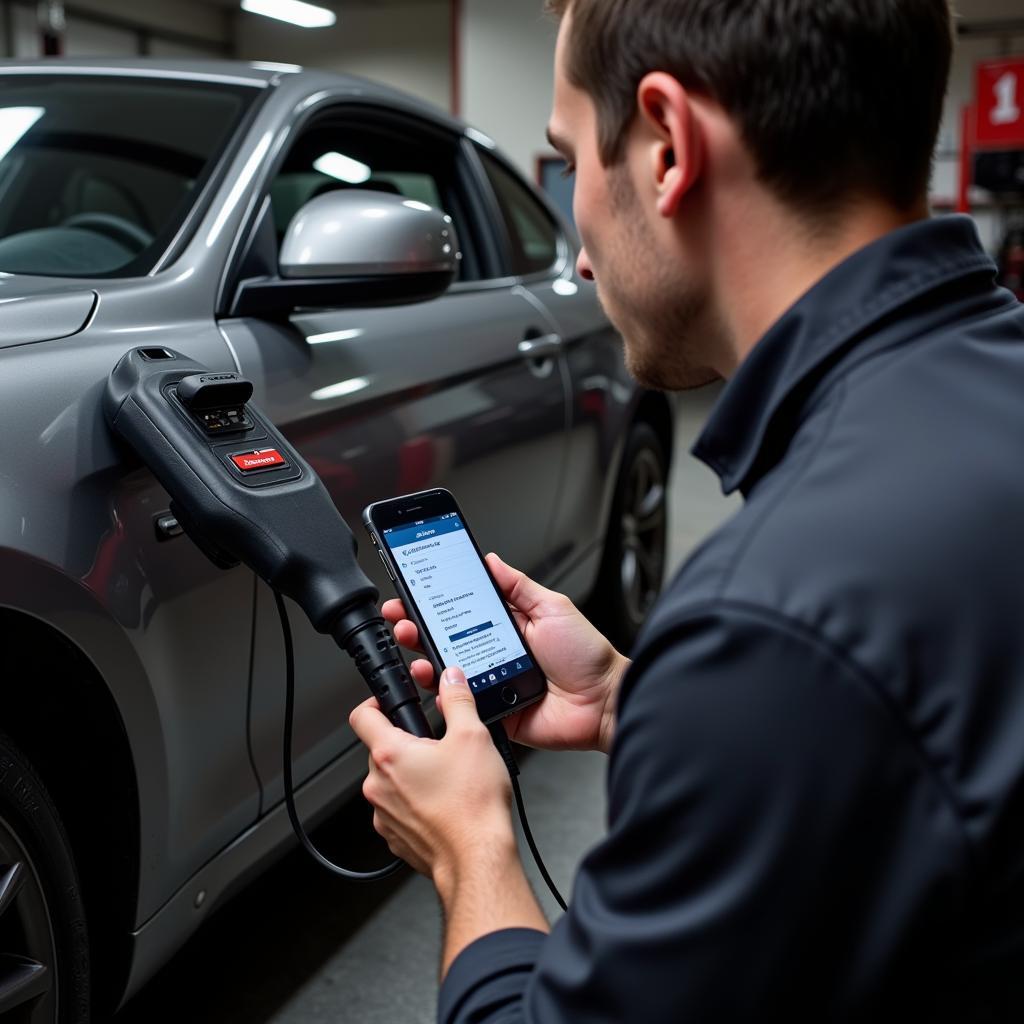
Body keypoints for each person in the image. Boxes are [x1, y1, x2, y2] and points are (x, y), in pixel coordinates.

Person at [350, 0, 1024, 1019]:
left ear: (666, 147)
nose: (577, 254)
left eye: (571, 158)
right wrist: (637, 700)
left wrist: (469, 850)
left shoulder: (770, 617)